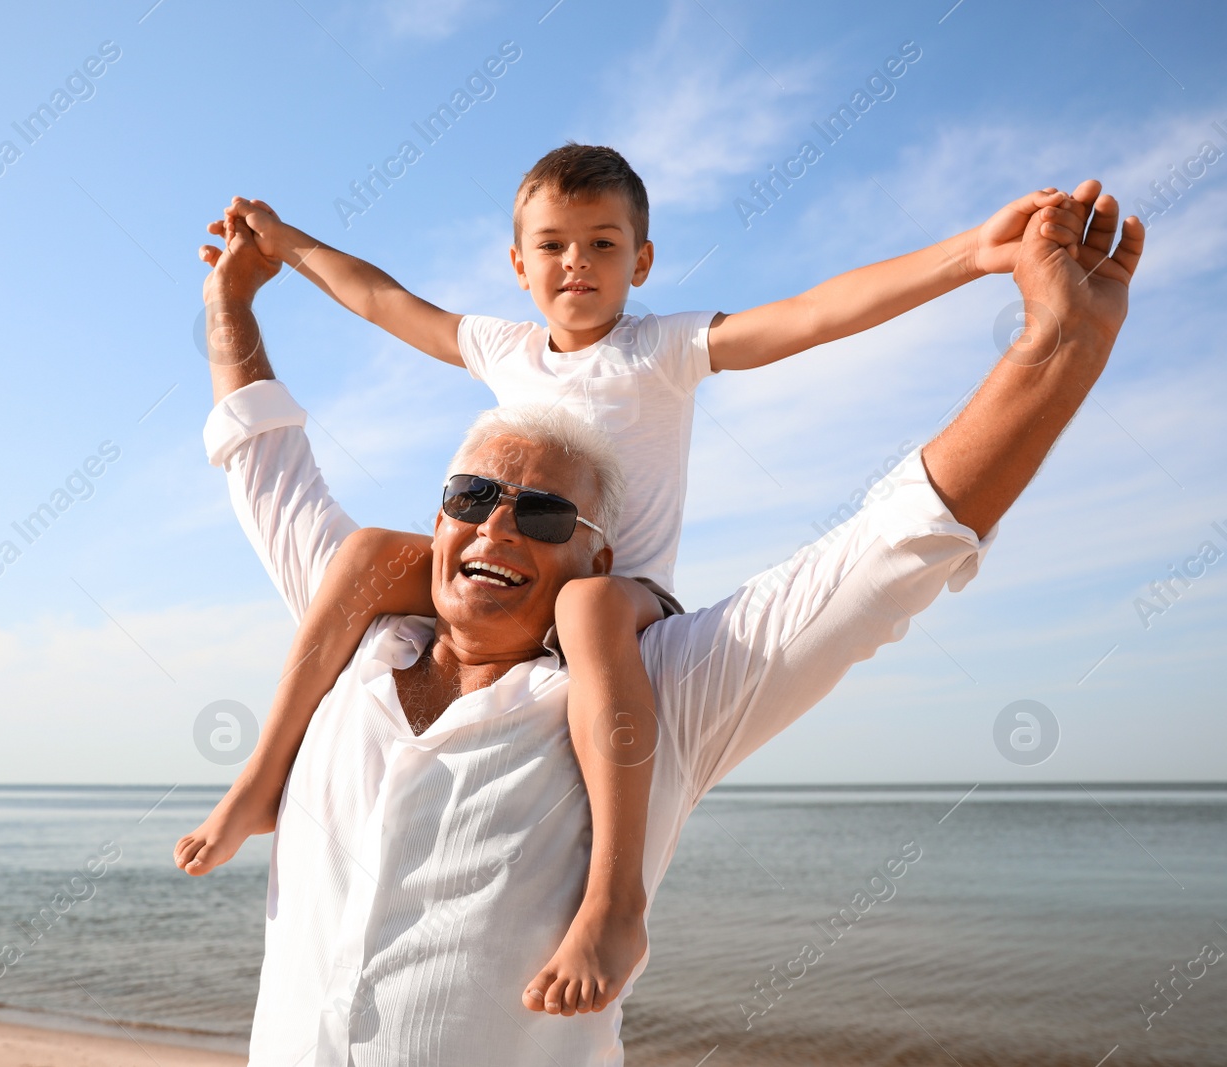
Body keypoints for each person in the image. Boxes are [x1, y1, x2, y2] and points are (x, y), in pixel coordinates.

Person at [189, 178, 1141, 1065]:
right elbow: (266, 459)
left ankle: (617, 903)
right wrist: (236, 299)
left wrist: (1057, 347)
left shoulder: (657, 694)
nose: (498, 525)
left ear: (590, 553)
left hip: (621, 622)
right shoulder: (353, 625)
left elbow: (885, 554)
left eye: (546, 513)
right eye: (471, 494)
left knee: (604, 618)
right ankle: (259, 778)